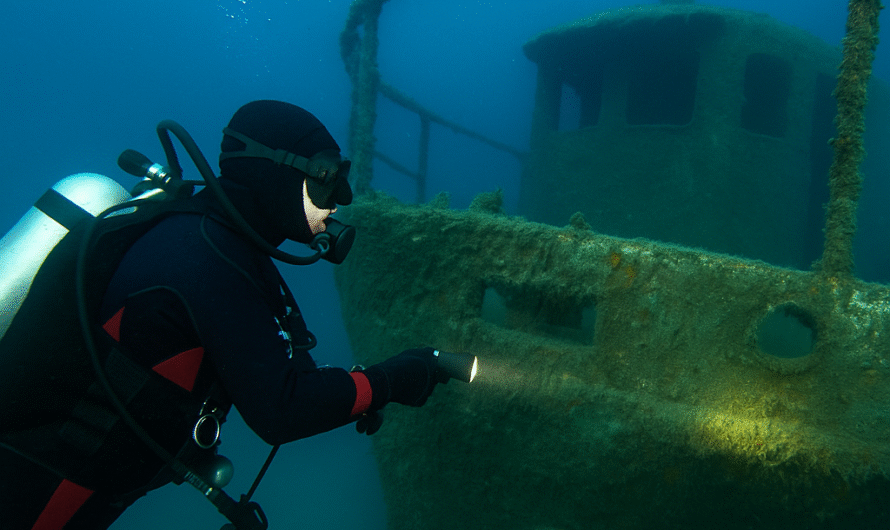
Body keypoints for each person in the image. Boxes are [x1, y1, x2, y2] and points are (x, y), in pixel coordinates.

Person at [0, 100, 440, 529]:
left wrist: (350, 393)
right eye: (326, 176)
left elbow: (283, 371)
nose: (340, 198)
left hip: (74, 481)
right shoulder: (205, 259)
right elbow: (283, 411)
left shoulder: (221, 245)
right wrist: (393, 380)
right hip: (36, 484)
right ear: (275, 173)